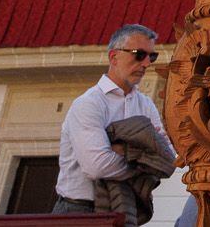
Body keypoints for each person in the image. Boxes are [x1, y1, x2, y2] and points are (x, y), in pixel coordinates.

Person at [55, 23, 177, 215]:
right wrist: (144, 162)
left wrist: (122, 151)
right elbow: (97, 167)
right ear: (114, 56)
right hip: (78, 211)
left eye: (151, 56)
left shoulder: (146, 105)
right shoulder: (89, 103)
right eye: (139, 54)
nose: (146, 63)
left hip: (125, 211)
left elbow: (168, 159)